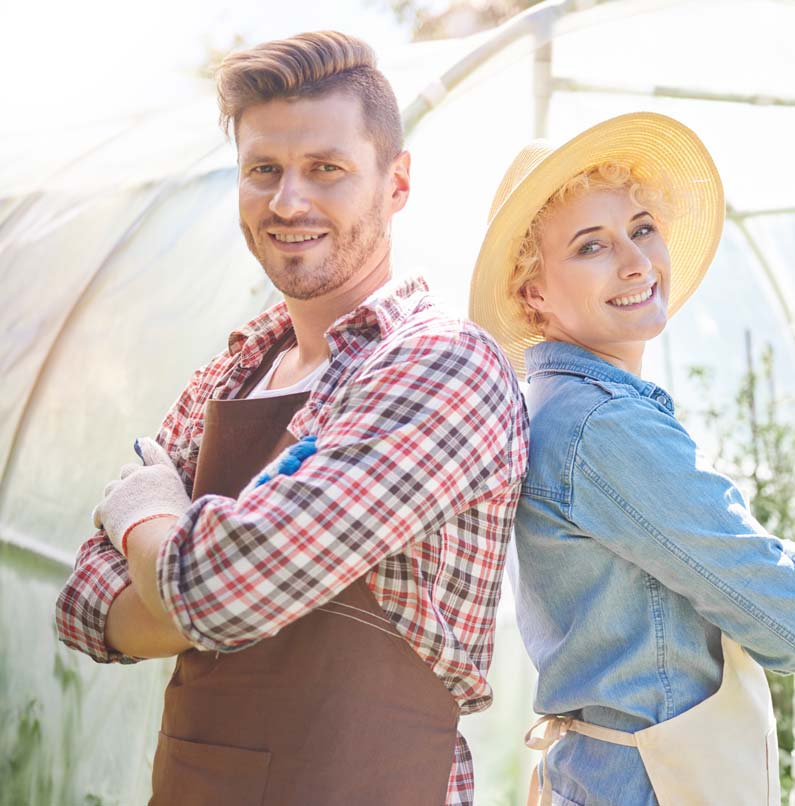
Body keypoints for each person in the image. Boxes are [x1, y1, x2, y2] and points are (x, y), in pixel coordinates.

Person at [54, 31, 528, 806]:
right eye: (263, 170)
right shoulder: (233, 369)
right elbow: (85, 602)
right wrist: (200, 571)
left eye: (326, 170)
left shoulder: (441, 365)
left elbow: (219, 594)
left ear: (396, 182)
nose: (288, 201)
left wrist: (145, 512)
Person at [468, 112, 795, 806]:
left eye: (642, 227)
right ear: (534, 292)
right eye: (592, 246)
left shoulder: (558, 407)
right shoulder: (605, 427)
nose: (637, 261)